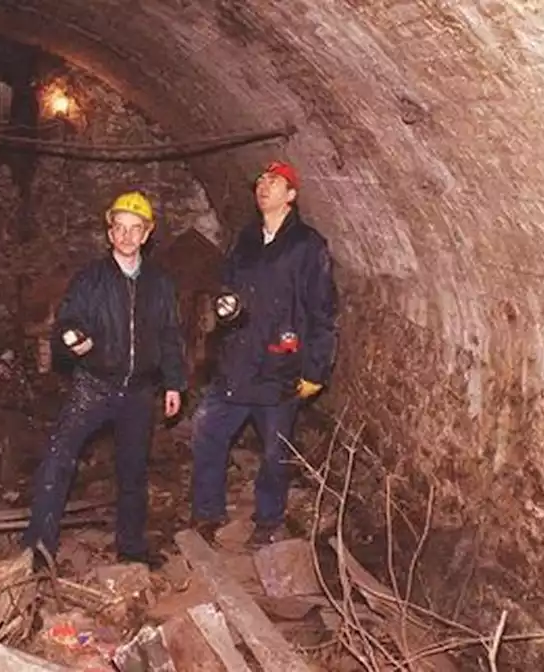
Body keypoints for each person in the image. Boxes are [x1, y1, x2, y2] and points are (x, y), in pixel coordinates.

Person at [23, 191, 186, 570]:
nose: (128, 236)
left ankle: (130, 548)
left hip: (139, 391)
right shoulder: (90, 280)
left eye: (136, 229)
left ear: (147, 234)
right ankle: (38, 549)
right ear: (110, 233)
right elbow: (67, 321)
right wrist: (72, 340)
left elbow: (169, 335)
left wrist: (175, 382)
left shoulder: (160, 284)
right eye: (120, 228)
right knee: (57, 461)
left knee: (133, 471)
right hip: (93, 386)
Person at [189, 160, 339, 549]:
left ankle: (268, 520)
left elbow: (323, 310)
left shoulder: (308, 246)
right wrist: (226, 312)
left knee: (276, 452)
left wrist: (316, 370)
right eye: (260, 180)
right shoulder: (246, 240)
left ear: (291, 195)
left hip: (279, 367)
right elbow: (228, 289)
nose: (263, 186)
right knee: (207, 431)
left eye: (274, 181)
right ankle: (208, 513)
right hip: (238, 362)